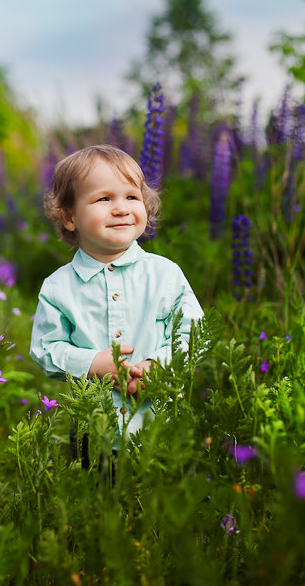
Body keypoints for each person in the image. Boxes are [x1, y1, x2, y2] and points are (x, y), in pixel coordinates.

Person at [30, 144, 203, 440]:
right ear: (70, 217)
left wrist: (158, 366)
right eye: (104, 198)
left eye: (132, 197)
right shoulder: (58, 287)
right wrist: (91, 364)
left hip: (160, 426)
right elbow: (46, 349)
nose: (122, 208)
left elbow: (195, 332)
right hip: (92, 431)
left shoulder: (165, 274)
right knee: (95, 486)